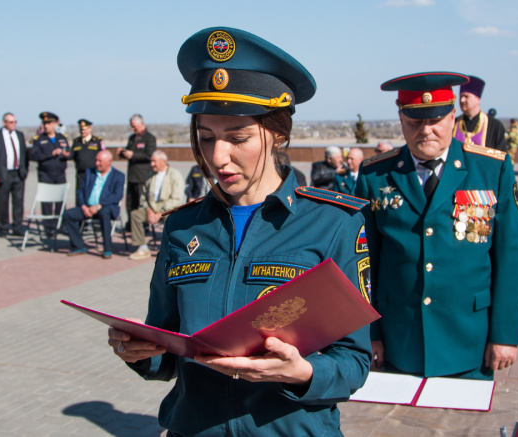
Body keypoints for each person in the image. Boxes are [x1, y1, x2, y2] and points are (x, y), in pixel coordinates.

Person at [107, 27, 372, 436]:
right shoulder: (182, 226)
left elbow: (354, 361)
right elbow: (167, 349)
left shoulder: (333, 222)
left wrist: (302, 371)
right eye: (207, 137)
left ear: (278, 133)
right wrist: (139, 352)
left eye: (238, 137)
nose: (217, 157)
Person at [355, 71, 518, 379]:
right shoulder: (375, 175)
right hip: (399, 340)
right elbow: (364, 262)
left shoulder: (491, 169)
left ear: (452, 117)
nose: (427, 131)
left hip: (468, 338)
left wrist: (505, 334)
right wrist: (369, 332)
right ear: (401, 120)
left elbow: (509, 258)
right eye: (416, 122)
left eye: (435, 120)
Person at [62, 150, 125, 259]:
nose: (97, 163)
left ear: (109, 161)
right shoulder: (89, 172)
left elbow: (117, 196)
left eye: (100, 161)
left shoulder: (118, 175)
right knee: (68, 215)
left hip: (105, 207)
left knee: (104, 214)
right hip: (87, 207)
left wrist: (98, 206)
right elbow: (80, 191)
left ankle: (107, 249)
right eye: (96, 160)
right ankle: (79, 245)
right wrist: (83, 206)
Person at [128, 150, 186, 260]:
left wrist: (161, 212)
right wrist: (149, 211)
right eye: (151, 161)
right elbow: (144, 197)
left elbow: (177, 199)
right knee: (135, 215)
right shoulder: (150, 176)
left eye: (154, 161)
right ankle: (143, 248)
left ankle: (170, 249)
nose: (151, 164)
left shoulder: (174, 175)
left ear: (163, 161)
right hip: (152, 210)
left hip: (168, 211)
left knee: (172, 219)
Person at [0, 112, 29, 237]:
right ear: (4, 123)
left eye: (15, 122)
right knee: (3, 202)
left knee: (18, 203)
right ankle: (3, 228)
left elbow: (24, 155)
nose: (13, 124)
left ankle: (17, 228)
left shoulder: (19, 135)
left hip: (18, 174)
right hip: (3, 174)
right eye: (11, 122)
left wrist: (24, 170)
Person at [29, 112, 71, 238]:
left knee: (61, 202)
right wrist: (51, 153)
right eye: (44, 123)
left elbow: (70, 153)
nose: (46, 126)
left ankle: (61, 225)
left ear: (54, 124)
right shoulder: (39, 140)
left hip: (60, 174)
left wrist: (65, 154)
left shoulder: (62, 138)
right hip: (46, 175)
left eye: (49, 123)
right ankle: (49, 229)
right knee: (47, 203)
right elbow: (34, 155)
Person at [117, 114, 156, 227]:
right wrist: (122, 153)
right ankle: (130, 225)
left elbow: (149, 155)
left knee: (141, 203)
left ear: (141, 124)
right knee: (130, 203)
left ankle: (143, 226)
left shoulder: (149, 138)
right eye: (131, 126)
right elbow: (129, 152)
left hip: (142, 176)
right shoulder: (132, 138)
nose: (132, 129)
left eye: (134, 126)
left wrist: (133, 154)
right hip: (131, 176)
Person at [453, 75, 508, 151]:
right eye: (461, 96)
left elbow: (501, 157)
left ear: (478, 99)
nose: (462, 100)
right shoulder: (453, 124)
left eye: (466, 96)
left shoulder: (494, 126)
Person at [70, 118, 105, 203]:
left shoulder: (97, 141)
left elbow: (103, 155)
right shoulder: (76, 142)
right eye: (81, 129)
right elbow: (71, 155)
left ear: (90, 128)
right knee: (80, 196)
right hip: (80, 174)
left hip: (93, 173)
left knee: (93, 196)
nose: (83, 131)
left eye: (85, 129)